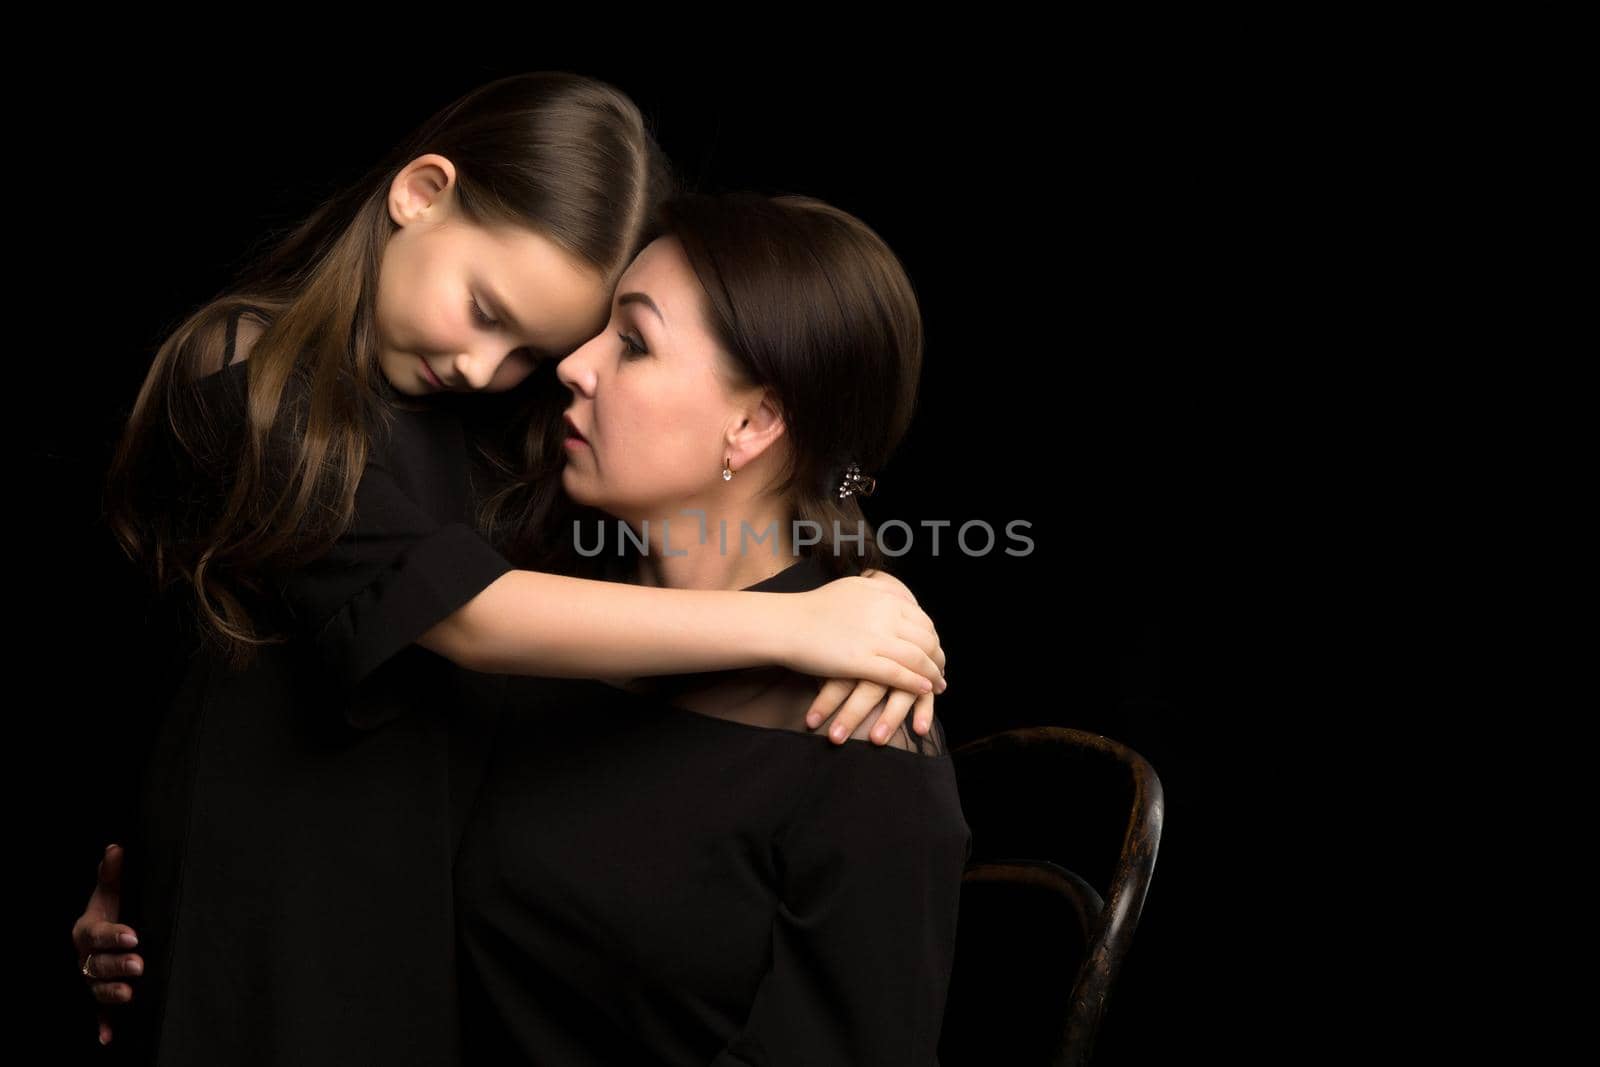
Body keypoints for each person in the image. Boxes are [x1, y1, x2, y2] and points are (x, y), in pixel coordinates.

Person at [68, 72, 947, 1065]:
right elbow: (458, 614)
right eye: (486, 310)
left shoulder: (503, 443)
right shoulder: (250, 373)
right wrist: (809, 617)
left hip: (406, 960)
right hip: (265, 943)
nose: (499, 367)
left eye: (539, 344)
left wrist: (859, 581)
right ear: (419, 192)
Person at [453, 192, 971, 1064]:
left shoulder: (861, 741)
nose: (573, 365)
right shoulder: (543, 621)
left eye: (632, 342)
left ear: (755, 422)